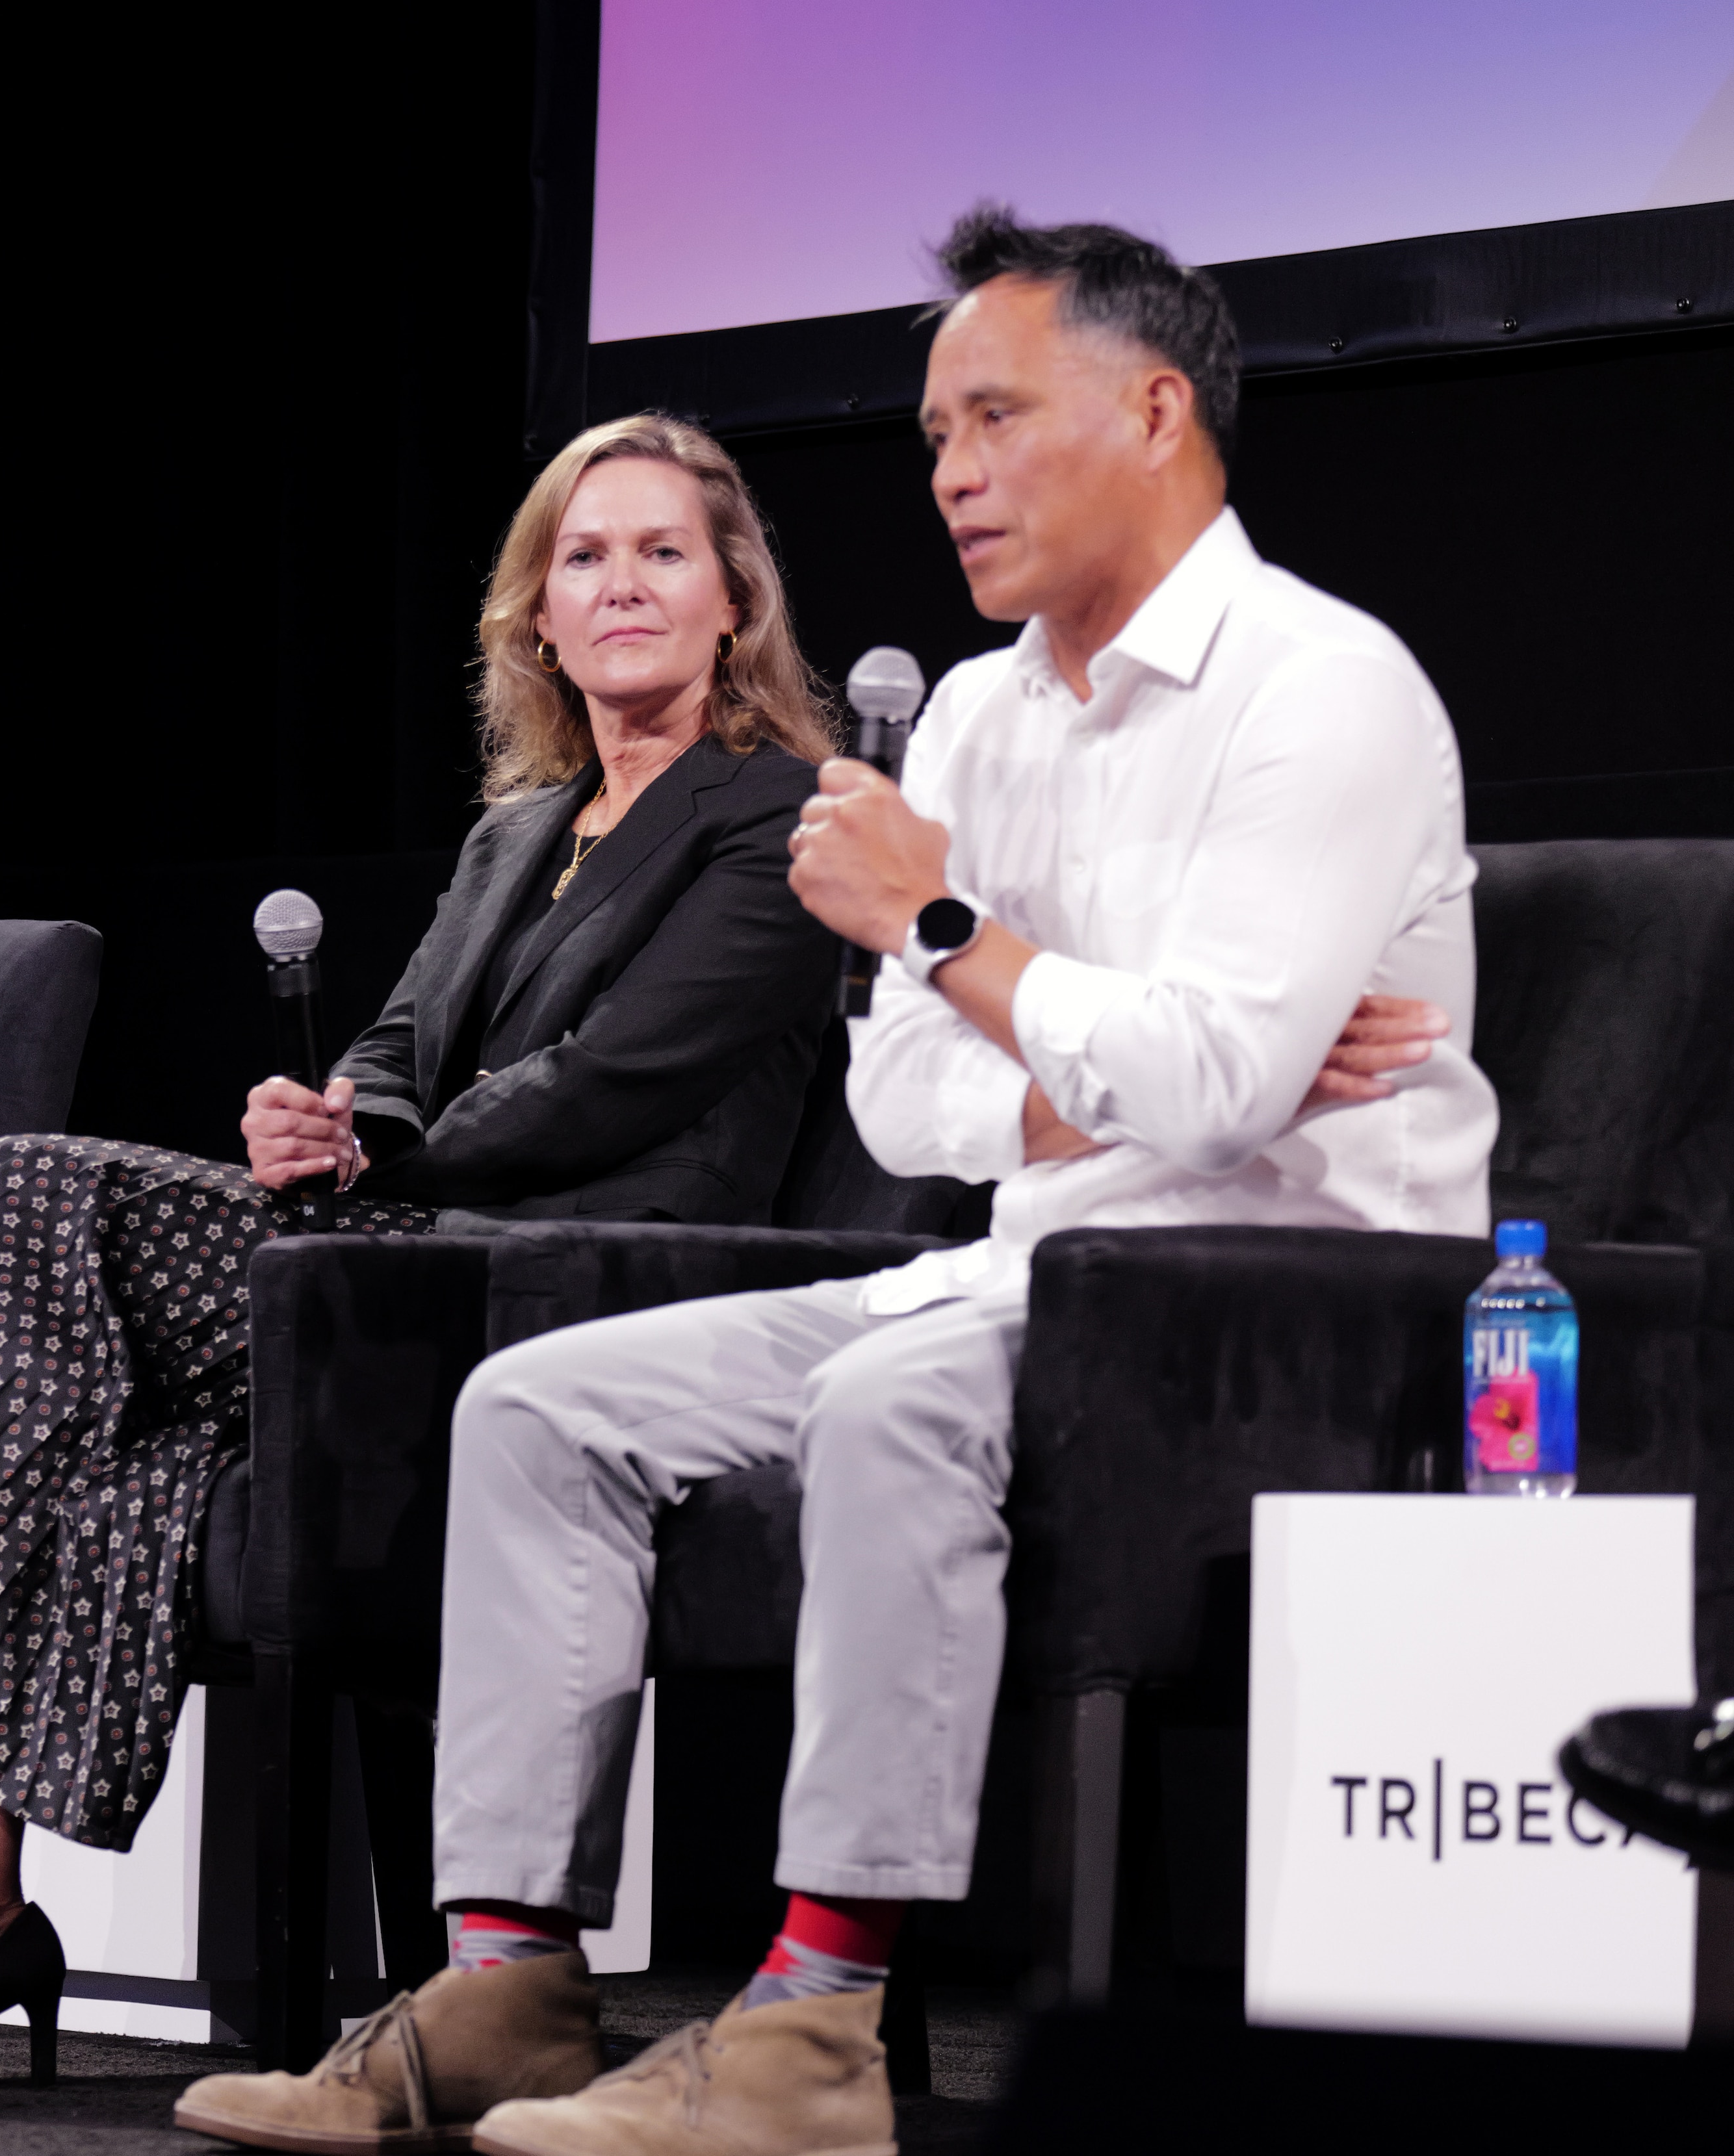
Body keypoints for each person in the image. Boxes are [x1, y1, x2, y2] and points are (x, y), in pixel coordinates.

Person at [175, 207, 1498, 2156]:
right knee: (541, 1404)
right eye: (933, 429)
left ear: (1153, 411)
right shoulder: (972, 712)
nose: (951, 470)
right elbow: (910, 1100)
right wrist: (1097, 1065)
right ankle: (508, 1975)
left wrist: (958, 932)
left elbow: (1208, 1093)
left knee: (892, 1397)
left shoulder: (1324, 685)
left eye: (994, 415)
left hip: (1281, 1303)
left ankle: (811, 2021)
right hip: (1035, 1265)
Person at [0, 413, 846, 2085]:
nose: (624, 583)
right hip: (398, 1255)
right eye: (586, 555)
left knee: (22, 1191)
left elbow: (629, 1075)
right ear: (537, 617)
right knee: (88, 1429)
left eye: (663, 552)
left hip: (578, 1286)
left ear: (735, 600)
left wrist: (383, 1142)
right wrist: (328, 1110)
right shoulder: (523, 832)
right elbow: (398, 1041)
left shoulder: (783, 815)